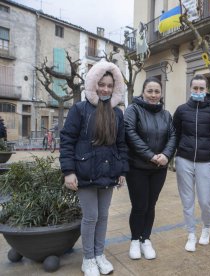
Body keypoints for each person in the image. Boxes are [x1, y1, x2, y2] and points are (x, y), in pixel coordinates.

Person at [60, 60, 128, 276]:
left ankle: (99, 254)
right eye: (101, 84)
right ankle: (88, 258)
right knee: (91, 216)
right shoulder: (80, 109)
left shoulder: (117, 113)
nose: (105, 89)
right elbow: (67, 139)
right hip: (84, 171)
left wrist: (121, 170)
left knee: (104, 215)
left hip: (108, 173)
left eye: (109, 85)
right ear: (93, 84)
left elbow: (121, 144)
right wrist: (68, 171)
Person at [124, 77, 176, 260]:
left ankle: (146, 239)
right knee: (139, 206)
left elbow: (172, 136)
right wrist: (150, 155)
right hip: (137, 167)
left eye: (157, 92)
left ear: (161, 94)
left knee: (151, 205)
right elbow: (130, 133)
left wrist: (166, 155)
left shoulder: (166, 114)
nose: (153, 95)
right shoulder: (133, 110)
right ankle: (134, 241)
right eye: (150, 91)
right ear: (143, 92)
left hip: (158, 169)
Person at [172, 74, 210, 252]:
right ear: (190, 89)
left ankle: (206, 228)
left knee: (205, 200)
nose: (198, 91)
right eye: (195, 88)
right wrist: (173, 156)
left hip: (205, 161)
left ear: (206, 90)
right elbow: (174, 135)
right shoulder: (181, 110)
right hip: (184, 159)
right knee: (187, 200)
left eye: (201, 88)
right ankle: (191, 234)